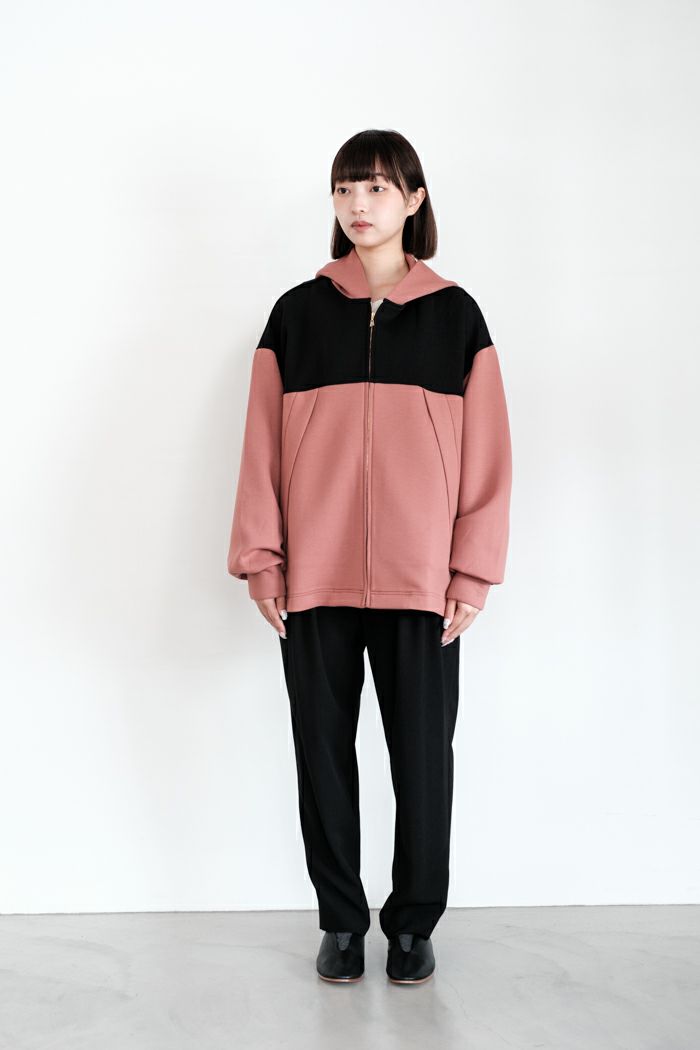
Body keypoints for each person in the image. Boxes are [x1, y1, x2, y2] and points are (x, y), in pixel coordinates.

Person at [226, 129, 512, 985]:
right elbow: (259, 447)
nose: (359, 204)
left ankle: (414, 924)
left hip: (422, 580)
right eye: (346, 188)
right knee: (322, 754)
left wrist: (471, 571)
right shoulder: (296, 315)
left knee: (423, 758)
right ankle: (343, 923)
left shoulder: (457, 317)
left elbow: (489, 456)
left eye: (378, 188)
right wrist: (262, 558)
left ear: (414, 200)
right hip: (313, 577)